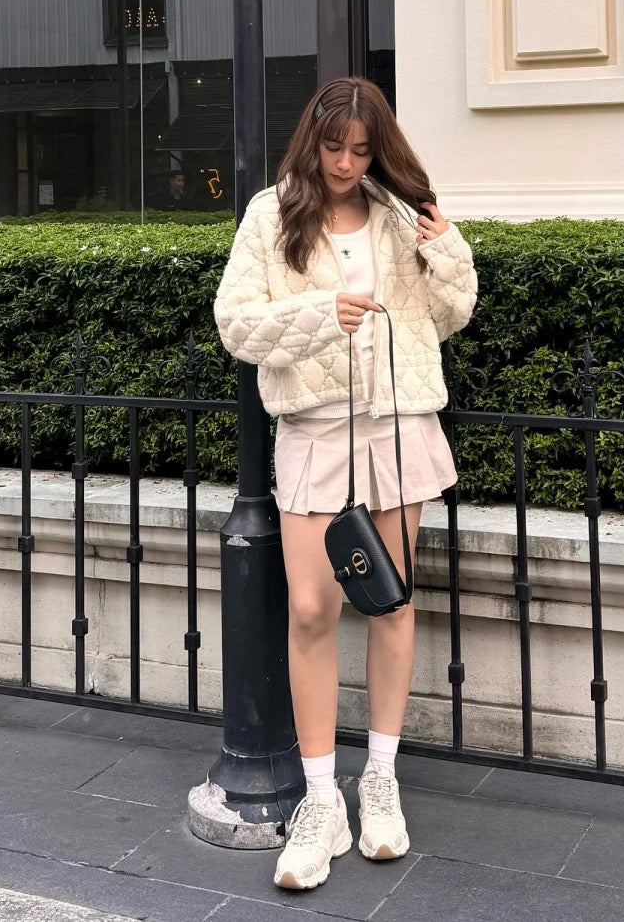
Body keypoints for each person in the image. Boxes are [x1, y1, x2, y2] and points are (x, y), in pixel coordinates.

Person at [214, 76, 477, 891]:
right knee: (310, 609)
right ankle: (322, 799)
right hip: (316, 431)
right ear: (313, 140)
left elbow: (451, 313)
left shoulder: (398, 214)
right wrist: (322, 312)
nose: (345, 163)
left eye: (361, 150)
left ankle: (381, 779)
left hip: (398, 426)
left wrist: (446, 246)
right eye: (334, 147)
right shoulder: (272, 214)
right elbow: (235, 322)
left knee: (390, 601)